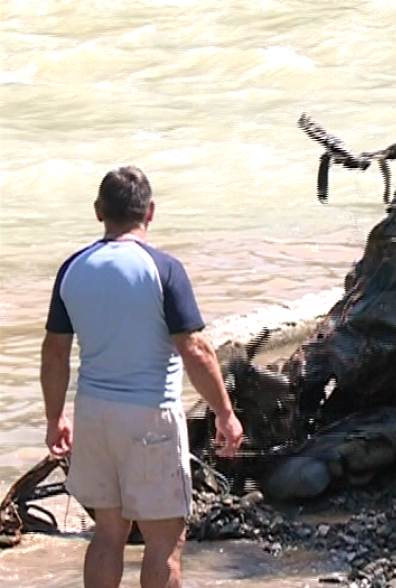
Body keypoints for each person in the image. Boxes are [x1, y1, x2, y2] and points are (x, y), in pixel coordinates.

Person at [40, 166, 244, 588]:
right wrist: (225, 413)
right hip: (149, 416)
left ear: (98, 211)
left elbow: (55, 351)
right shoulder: (163, 269)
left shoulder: (73, 268)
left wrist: (54, 418)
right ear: (150, 212)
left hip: (93, 415)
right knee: (164, 542)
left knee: (108, 533)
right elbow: (195, 350)